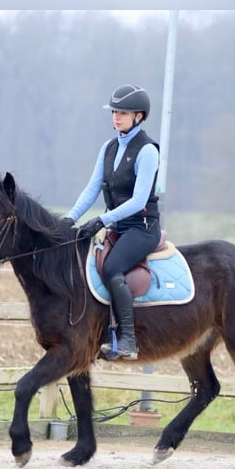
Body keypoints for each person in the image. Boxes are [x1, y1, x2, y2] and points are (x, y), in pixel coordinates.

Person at [63, 84, 161, 361]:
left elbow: (138, 199)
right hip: (117, 226)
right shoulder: (108, 147)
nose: (116, 117)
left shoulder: (148, 152)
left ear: (139, 117)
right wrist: (70, 219)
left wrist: (102, 219)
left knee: (113, 266)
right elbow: (92, 188)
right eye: (115, 112)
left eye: (123, 113)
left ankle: (128, 339)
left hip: (141, 228)